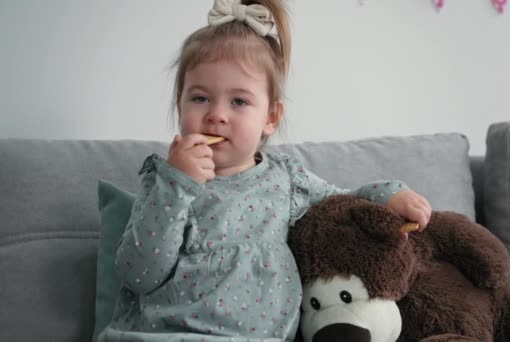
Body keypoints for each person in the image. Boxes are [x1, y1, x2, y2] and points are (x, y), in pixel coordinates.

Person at [98, 0, 432, 341]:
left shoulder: (286, 180)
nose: (217, 115)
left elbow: (343, 205)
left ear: (270, 117)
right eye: (200, 98)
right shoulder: (164, 181)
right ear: (179, 103)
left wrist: (390, 193)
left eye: (239, 101)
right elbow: (137, 275)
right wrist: (176, 185)